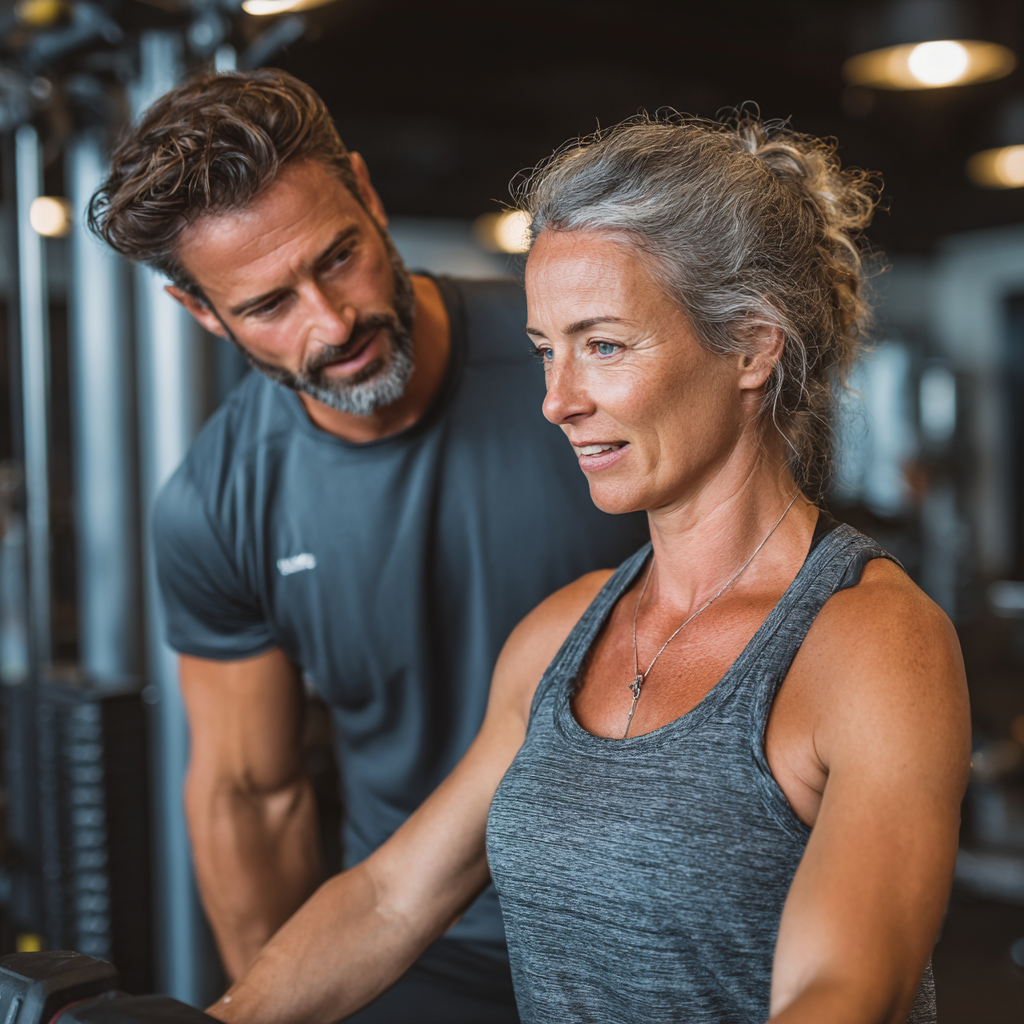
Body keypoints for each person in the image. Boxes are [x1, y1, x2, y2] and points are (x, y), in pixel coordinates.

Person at [205, 113, 971, 1024]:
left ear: (753, 348)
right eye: (545, 351)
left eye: (603, 345)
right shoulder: (560, 634)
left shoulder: (875, 644)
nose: (557, 401)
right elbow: (389, 899)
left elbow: (841, 992)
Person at [88, 70, 649, 1022]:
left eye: (338, 257)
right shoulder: (218, 503)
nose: (331, 320)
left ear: (366, 191)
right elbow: (249, 794)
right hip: (415, 942)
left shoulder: (576, 368)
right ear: (203, 315)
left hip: (651, 917)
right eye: (269, 305)